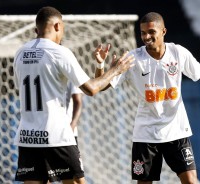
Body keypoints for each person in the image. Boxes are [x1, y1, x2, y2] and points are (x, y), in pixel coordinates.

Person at [95, 12, 200, 184]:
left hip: (176, 130)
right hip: (146, 134)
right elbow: (101, 86)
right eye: (142, 33)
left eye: (151, 32)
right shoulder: (133, 59)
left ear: (163, 31)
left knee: (191, 181)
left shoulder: (178, 53)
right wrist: (101, 65)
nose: (146, 37)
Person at [13, 6, 134, 184]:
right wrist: (115, 70)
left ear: (36, 30)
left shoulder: (20, 53)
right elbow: (91, 89)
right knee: (76, 182)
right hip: (56, 135)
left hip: (28, 137)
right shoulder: (60, 52)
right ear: (57, 26)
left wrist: (100, 68)